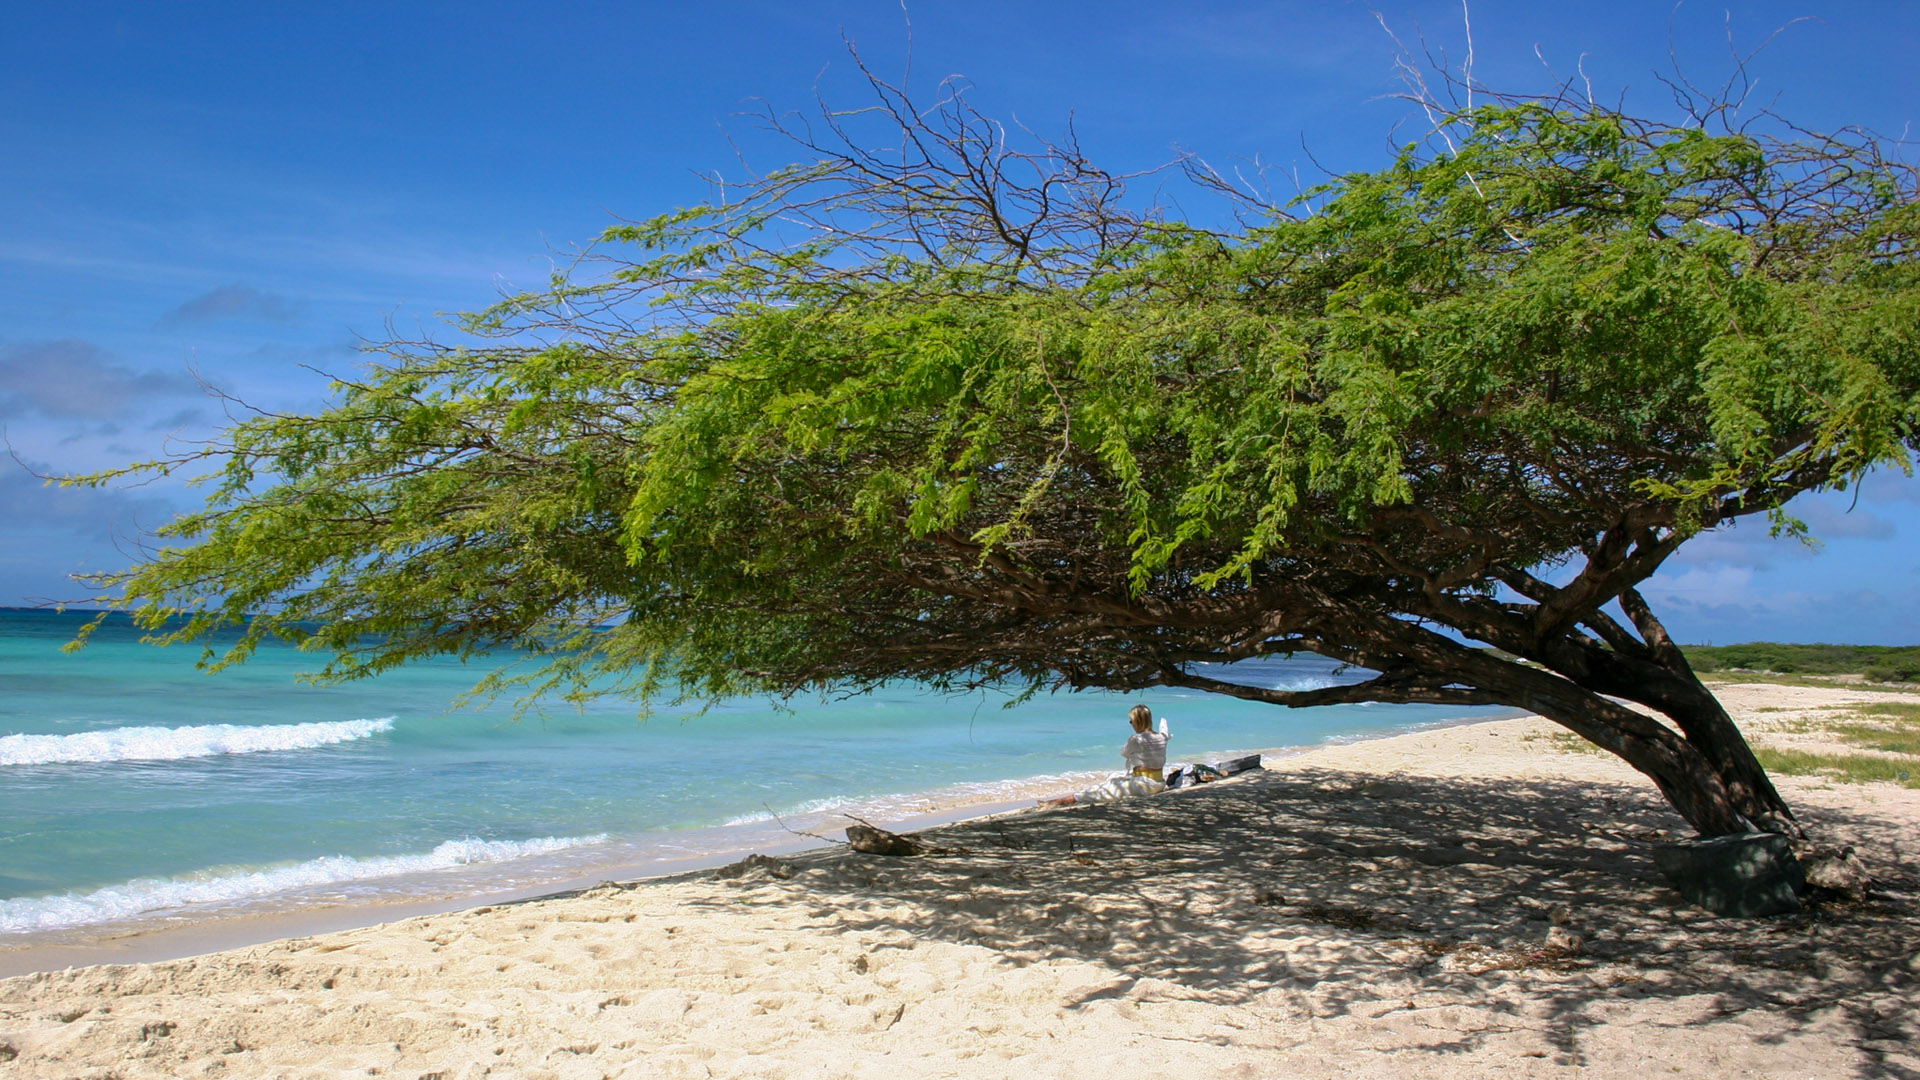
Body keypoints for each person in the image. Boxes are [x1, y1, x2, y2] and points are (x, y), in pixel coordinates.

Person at [1040, 705, 1170, 807]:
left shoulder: (1136, 739)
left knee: (1101, 791)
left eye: (1131, 721)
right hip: (1158, 783)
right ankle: (1059, 801)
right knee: (1110, 782)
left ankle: (1058, 802)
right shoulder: (1161, 737)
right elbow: (1164, 733)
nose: (1131, 724)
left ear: (1137, 721)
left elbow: (1124, 753)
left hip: (1143, 785)